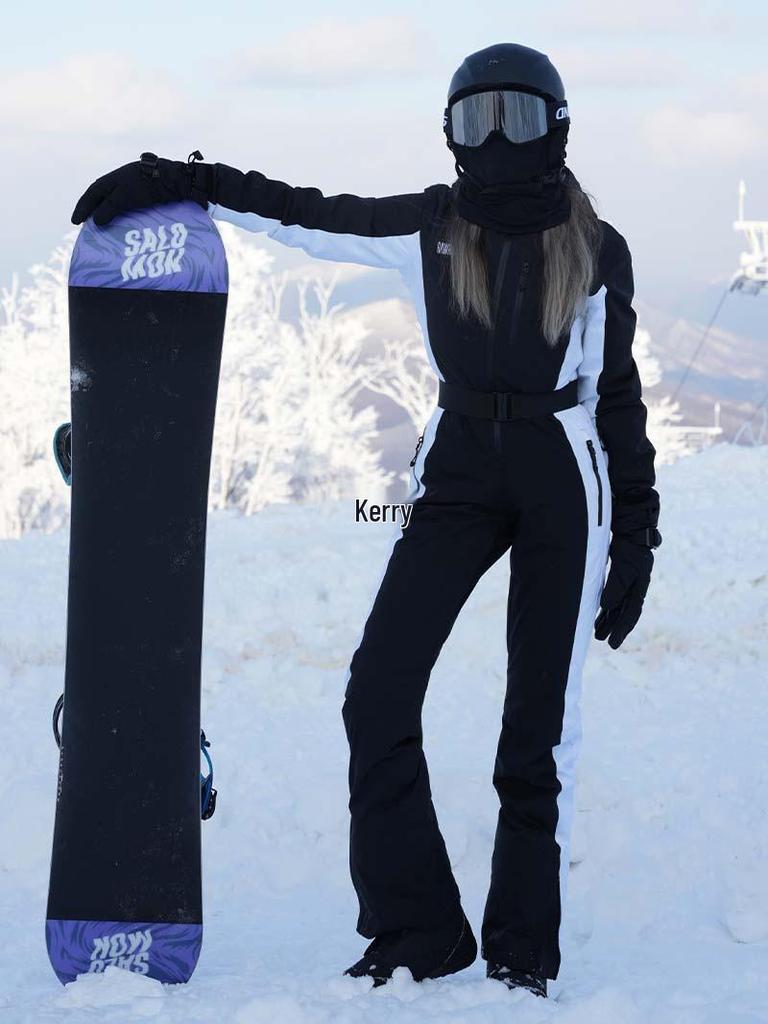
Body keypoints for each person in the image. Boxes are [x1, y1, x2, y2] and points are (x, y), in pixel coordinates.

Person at [72, 42, 661, 999]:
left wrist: (635, 532)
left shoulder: (597, 250)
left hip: (561, 472)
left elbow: (617, 396)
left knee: (539, 731)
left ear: (556, 128)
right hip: (458, 470)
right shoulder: (431, 228)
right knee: (377, 694)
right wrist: (187, 178)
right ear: (450, 133)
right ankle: (418, 931)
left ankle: (521, 952)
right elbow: (303, 213)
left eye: (516, 115)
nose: (496, 138)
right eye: (476, 118)